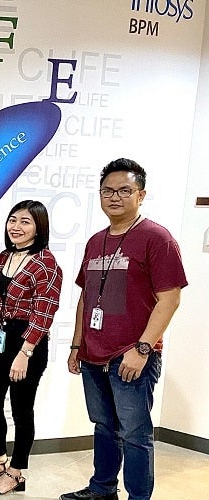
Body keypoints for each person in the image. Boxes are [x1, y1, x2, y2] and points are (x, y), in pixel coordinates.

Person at [61, 159, 187, 500]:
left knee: (135, 434)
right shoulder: (95, 241)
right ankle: (102, 489)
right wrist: (76, 346)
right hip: (92, 354)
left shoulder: (156, 238)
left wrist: (143, 349)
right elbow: (86, 297)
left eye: (124, 190)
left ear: (141, 194)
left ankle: (138, 497)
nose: (114, 197)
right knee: (104, 427)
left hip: (131, 355)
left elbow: (169, 299)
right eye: (107, 190)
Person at [0, 200, 63, 495]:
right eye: (13, 220)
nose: (16, 227)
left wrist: (24, 353)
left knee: (21, 409)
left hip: (29, 342)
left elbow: (44, 314)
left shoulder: (46, 263)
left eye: (25, 222)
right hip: (2, 334)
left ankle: (16, 471)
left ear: (39, 227)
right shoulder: (5, 257)